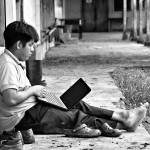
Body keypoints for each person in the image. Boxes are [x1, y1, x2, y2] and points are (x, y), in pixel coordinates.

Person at [0, 21, 148, 139]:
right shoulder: (7, 64)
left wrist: (39, 94)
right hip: (23, 118)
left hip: (32, 108)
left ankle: (122, 115)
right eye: (30, 45)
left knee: (75, 103)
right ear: (19, 45)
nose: (32, 50)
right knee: (75, 117)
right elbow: (10, 99)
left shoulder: (13, 62)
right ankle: (122, 124)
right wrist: (33, 89)